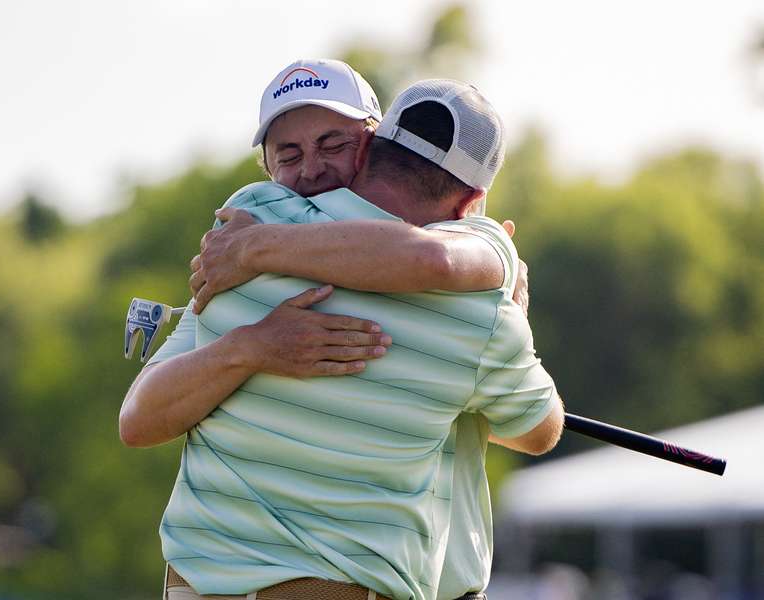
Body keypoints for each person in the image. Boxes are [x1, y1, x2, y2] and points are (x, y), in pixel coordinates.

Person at [121, 76, 563, 600]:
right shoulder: (481, 300)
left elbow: (432, 258)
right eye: (288, 153)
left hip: (193, 585)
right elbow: (539, 432)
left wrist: (253, 258)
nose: (310, 171)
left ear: (372, 146)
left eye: (332, 145)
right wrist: (253, 347)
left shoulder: (248, 226)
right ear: (474, 201)